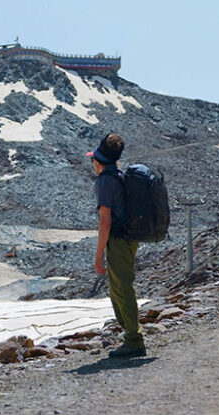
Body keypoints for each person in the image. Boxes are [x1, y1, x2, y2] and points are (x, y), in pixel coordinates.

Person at [87, 134, 146, 357]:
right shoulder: (120, 175)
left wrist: (99, 253)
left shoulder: (104, 181)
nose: (92, 163)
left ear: (98, 161)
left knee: (122, 289)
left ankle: (134, 340)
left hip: (118, 240)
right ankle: (131, 335)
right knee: (119, 288)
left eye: (93, 159)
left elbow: (105, 220)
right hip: (129, 238)